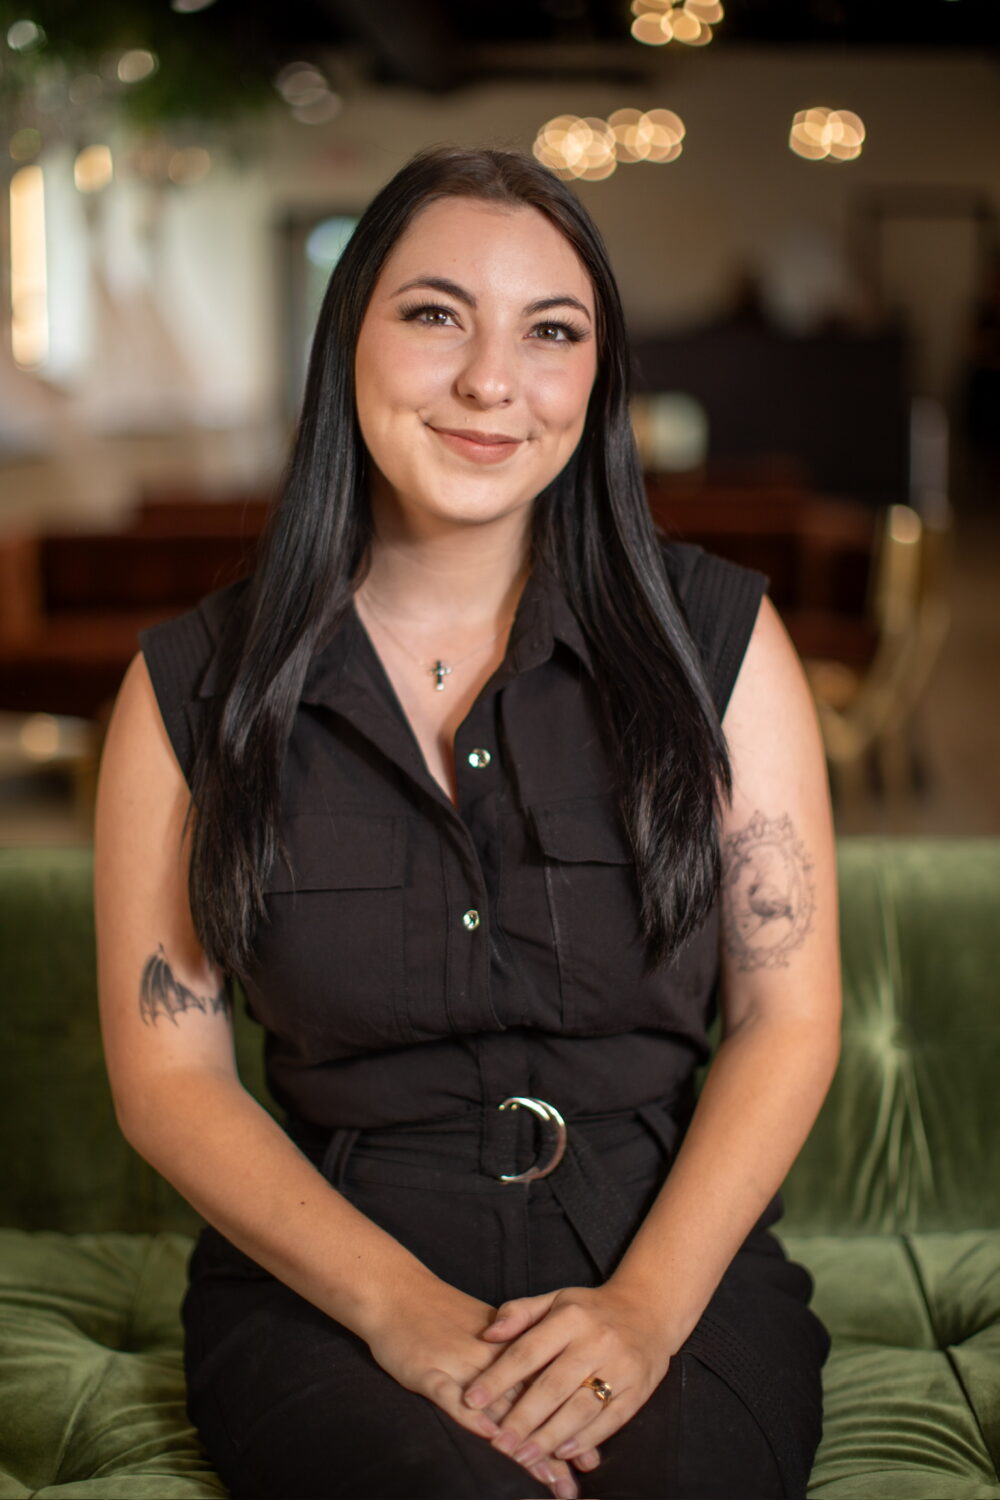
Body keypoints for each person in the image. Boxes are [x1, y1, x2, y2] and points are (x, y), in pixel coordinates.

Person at [94, 143, 841, 1500]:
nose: (493, 380)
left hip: (660, 1244)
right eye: (436, 314)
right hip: (329, 1266)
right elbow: (171, 1079)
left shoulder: (719, 643)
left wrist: (649, 1311)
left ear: (596, 378)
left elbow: (790, 1020)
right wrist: (398, 1311)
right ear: (349, 340)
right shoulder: (189, 687)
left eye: (550, 332)